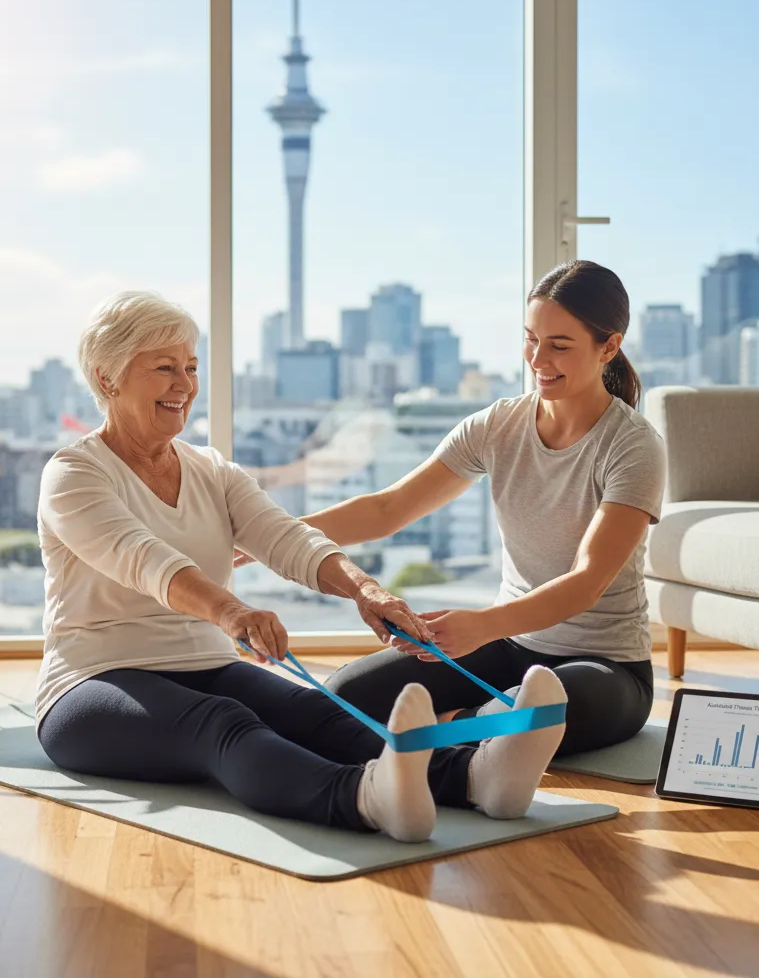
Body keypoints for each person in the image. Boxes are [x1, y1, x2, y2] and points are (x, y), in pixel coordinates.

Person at [34, 291, 568, 843]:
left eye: (191, 367)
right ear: (107, 378)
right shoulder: (74, 475)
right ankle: (365, 798)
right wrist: (231, 610)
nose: (185, 385)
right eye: (164, 368)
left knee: (317, 713)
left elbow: (284, 537)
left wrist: (367, 591)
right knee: (223, 725)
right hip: (92, 681)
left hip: (201, 664)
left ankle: (478, 779)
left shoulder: (210, 470)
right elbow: (143, 559)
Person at [263, 261, 666, 756]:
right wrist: (273, 535)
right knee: (346, 695)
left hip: (605, 667)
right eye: (531, 339)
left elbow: (588, 581)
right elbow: (388, 509)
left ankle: (452, 733)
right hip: (511, 648)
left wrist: (482, 625)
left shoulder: (633, 447)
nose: (539, 358)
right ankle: (469, 736)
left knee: (542, 711)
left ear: (609, 346)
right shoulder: (498, 425)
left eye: (560, 345)